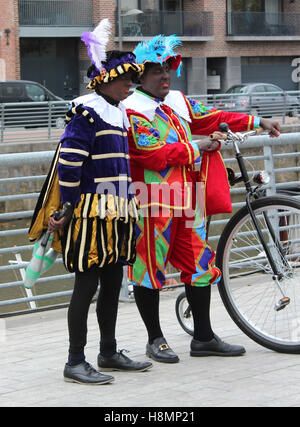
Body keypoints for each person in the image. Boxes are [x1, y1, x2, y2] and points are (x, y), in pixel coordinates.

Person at [123, 34, 281, 363]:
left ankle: (204, 337)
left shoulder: (178, 101)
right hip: (153, 201)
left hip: (189, 200)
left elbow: (214, 118)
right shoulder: (132, 111)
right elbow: (152, 154)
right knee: (149, 267)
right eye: (156, 71)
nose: (165, 75)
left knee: (199, 265)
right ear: (140, 76)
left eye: (168, 68)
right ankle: (156, 339)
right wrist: (198, 147)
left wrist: (258, 121)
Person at [28, 19, 152, 385]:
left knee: (113, 283)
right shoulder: (85, 111)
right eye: (125, 78)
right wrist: (66, 207)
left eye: (132, 78)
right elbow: (70, 163)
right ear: (103, 78)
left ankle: (108, 351)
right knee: (86, 285)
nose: (130, 83)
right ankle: (74, 360)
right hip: (89, 214)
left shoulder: (120, 113)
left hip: (118, 210)